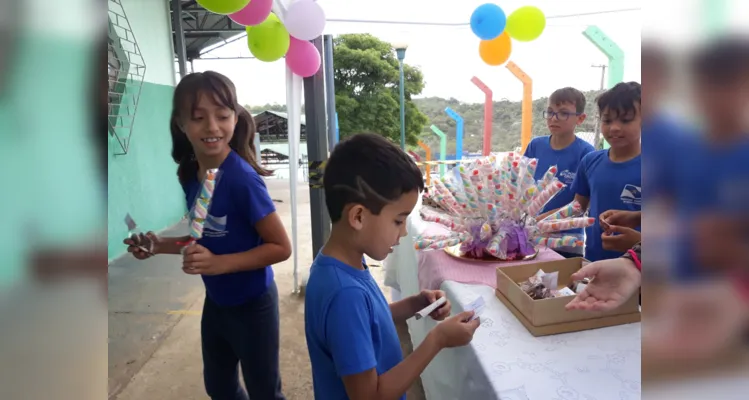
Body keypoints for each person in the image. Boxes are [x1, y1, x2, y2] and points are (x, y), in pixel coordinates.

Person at [124, 71, 291, 400]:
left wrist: (221, 264)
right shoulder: (191, 173)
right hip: (217, 303)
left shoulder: (242, 180)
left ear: (235, 118)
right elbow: (203, 237)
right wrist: (157, 245)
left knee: (264, 393)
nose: (212, 127)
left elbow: (280, 248)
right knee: (220, 387)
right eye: (198, 118)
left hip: (253, 305)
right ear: (181, 124)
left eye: (222, 116)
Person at [305, 133, 481, 400]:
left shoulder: (342, 264)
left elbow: (367, 322)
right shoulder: (344, 294)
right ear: (359, 216)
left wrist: (415, 304)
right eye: (398, 221)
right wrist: (437, 340)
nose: (402, 234)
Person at [542, 82, 642, 262]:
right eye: (607, 120)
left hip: (639, 269)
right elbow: (577, 206)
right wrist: (538, 222)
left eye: (626, 120)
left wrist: (638, 243)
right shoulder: (590, 161)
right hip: (592, 261)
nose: (615, 128)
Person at [524, 87, 595, 258]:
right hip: (528, 235)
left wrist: (538, 221)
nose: (553, 118)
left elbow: (579, 206)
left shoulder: (587, 154)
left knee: (563, 282)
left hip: (567, 240)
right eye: (549, 112)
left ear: (580, 118)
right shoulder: (536, 146)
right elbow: (521, 185)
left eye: (563, 113)